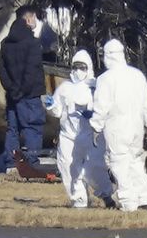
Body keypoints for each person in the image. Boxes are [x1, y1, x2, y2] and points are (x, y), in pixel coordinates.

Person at [91, 38, 147, 212]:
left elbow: (101, 105)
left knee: (119, 163)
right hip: (136, 126)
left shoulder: (106, 79)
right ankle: (145, 197)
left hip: (116, 126)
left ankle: (128, 202)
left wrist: (96, 127)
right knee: (135, 161)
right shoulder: (137, 75)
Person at [45, 49, 115, 208]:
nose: (78, 71)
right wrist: (51, 105)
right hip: (69, 136)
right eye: (75, 67)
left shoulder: (96, 87)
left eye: (82, 67)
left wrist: (95, 115)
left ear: (89, 67)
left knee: (94, 168)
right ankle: (79, 201)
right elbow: (57, 111)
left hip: (91, 136)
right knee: (69, 168)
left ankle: (107, 196)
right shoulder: (65, 88)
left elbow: (105, 107)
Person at [0, 6, 46, 171]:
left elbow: (0, 69)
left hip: (12, 95)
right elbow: (31, 71)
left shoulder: (6, 43)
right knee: (33, 127)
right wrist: (22, 90)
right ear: (29, 19)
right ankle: (31, 162)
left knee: (13, 129)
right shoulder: (32, 43)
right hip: (29, 95)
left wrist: (11, 88)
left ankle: (11, 162)